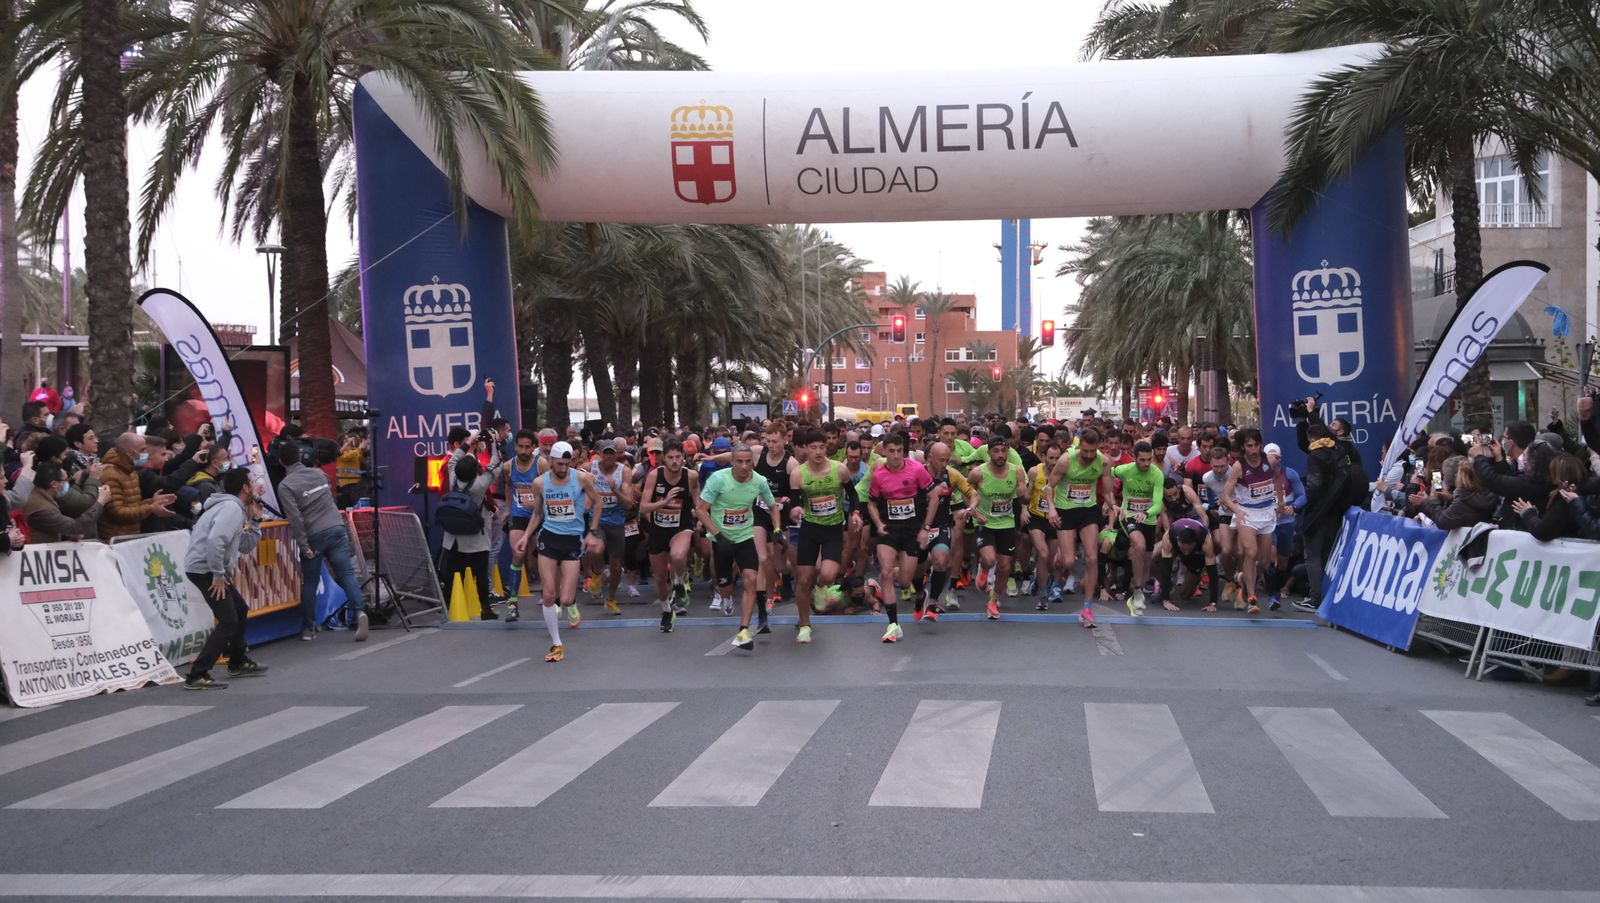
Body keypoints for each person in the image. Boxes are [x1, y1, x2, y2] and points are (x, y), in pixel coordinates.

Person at [181, 467, 269, 690]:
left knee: (239, 609)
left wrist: (256, 521)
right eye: (252, 482)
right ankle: (197, 674)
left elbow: (244, 546)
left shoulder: (234, 509)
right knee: (229, 620)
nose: (255, 486)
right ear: (245, 488)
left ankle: (237, 661)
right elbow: (215, 541)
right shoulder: (230, 508)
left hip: (207, 568)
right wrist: (218, 575)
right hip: (205, 569)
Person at [275, 439, 371, 642]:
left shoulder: (285, 486)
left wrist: (303, 544)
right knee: (346, 573)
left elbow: (295, 517)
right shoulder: (319, 474)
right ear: (300, 456)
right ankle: (360, 611)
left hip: (314, 535)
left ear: (281, 462)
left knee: (310, 581)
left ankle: (310, 627)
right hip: (336, 526)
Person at [519, 441, 605, 662]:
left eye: (567, 464)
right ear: (550, 461)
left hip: (572, 542)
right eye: (559, 464)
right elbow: (537, 514)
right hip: (548, 539)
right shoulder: (540, 483)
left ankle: (570, 605)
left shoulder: (582, 479)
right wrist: (526, 536)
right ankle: (556, 642)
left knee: (566, 599)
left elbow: (598, 503)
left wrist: (592, 532)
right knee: (549, 594)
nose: (563, 468)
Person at [697, 443, 776, 652]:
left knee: (750, 578)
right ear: (732, 462)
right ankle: (725, 595)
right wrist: (717, 535)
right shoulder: (718, 479)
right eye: (739, 461)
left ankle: (743, 630)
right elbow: (701, 510)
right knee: (725, 587)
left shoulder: (759, 481)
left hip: (745, 536)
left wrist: (777, 528)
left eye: (748, 461)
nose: (744, 466)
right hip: (721, 538)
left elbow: (772, 505)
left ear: (753, 462)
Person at [866, 432, 932, 643]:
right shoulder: (879, 475)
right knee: (885, 572)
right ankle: (893, 624)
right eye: (891, 451)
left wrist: (925, 528)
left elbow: (934, 497)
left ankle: (920, 593)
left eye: (899, 451)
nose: (896, 456)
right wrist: (878, 524)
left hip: (912, 531)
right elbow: (871, 503)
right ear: (884, 452)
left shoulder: (917, 470)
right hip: (889, 530)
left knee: (904, 581)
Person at [788, 427, 850, 644]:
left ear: (827, 448)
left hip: (833, 529)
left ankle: (820, 586)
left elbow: (853, 495)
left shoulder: (839, 469)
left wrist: (856, 514)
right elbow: (795, 502)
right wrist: (795, 509)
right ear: (806, 449)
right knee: (803, 579)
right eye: (813, 447)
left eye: (822, 447)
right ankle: (804, 625)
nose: (818, 452)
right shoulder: (798, 474)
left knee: (828, 575)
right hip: (810, 529)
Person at [1047, 427, 1113, 628]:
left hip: (1088, 510)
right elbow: (1049, 487)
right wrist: (1052, 510)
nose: (1089, 455)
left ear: (1098, 447)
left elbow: (1108, 491)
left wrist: (1113, 505)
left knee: (1092, 558)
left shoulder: (1103, 462)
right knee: (1069, 561)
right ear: (1079, 446)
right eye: (1085, 451)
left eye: (1093, 451)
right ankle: (1059, 560)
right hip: (1065, 510)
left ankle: (1087, 608)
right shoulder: (1066, 461)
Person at [641, 439, 701, 631]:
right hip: (658, 528)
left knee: (677, 555)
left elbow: (698, 501)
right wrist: (664, 501)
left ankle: (679, 581)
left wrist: (700, 516)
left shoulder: (691, 476)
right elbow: (643, 507)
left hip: (681, 526)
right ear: (663, 459)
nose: (674, 461)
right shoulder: (654, 476)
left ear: (683, 458)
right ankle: (667, 610)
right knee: (660, 578)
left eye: (678, 457)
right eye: (670, 457)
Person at [440, 449, 504, 620]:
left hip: (453, 537)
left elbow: (452, 461)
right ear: (476, 472)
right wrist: (495, 444)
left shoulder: (453, 480)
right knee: (480, 574)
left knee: (455, 574)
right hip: (477, 538)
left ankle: (453, 605)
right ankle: (485, 608)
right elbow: (496, 466)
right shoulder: (479, 486)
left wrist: (466, 444)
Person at [1221, 429, 1280, 614]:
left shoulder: (1270, 460)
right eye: (1249, 446)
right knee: (1251, 552)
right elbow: (1225, 496)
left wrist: (1280, 503)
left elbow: (1277, 479)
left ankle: (1243, 579)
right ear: (1242, 447)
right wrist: (1237, 510)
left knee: (1264, 561)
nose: (1254, 449)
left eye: (1256, 445)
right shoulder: (1239, 466)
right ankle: (1252, 599)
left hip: (1267, 513)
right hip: (1247, 513)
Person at [1111, 440, 1164, 616]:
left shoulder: (1156, 474)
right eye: (1142, 460)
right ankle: (1138, 591)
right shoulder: (1124, 470)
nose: (1146, 463)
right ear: (1134, 458)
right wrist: (1110, 499)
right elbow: (1106, 473)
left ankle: (1136, 589)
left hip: (1148, 518)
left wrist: (1146, 513)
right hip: (1129, 516)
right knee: (1138, 545)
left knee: (1146, 562)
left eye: (1149, 459)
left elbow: (1157, 504)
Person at [586, 438, 635, 615]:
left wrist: (615, 490)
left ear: (616, 455)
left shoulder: (624, 472)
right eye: (605, 452)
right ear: (600, 453)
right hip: (597, 518)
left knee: (616, 566)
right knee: (595, 548)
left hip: (616, 520)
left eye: (611, 453)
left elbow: (629, 504)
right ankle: (597, 573)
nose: (608, 456)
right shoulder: (590, 468)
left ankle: (611, 598)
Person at [97, 432, 176, 542]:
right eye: (143, 450)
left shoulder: (130, 470)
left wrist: (152, 502)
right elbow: (117, 512)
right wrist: (151, 508)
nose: (146, 454)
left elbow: (132, 504)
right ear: (129, 452)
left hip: (129, 536)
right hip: (115, 539)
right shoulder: (111, 475)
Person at [22, 462, 109, 542]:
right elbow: (75, 527)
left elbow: (50, 527)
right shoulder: (42, 508)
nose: (67, 484)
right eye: (65, 481)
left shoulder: (38, 495)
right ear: (54, 484)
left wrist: (67, 535)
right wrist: (100, 502)